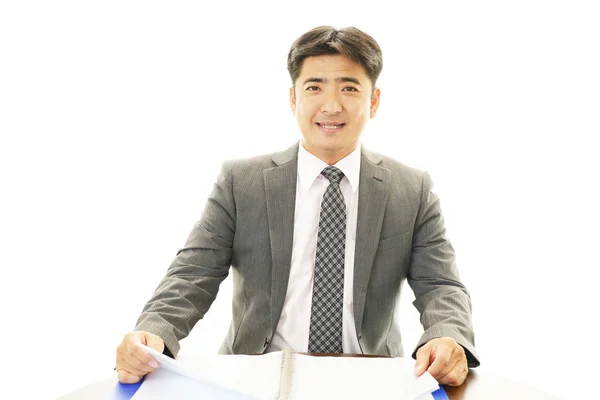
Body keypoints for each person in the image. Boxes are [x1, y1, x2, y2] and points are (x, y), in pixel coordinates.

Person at [116, 25, 480, 387]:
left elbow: (441, 285)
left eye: (349, 88)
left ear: (374, 100)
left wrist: (446, 337)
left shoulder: (411, 189)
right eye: (314, 87)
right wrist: (153, 333)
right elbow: (192, 274)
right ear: (293, 99)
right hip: (256, 376)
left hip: (370, 376)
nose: (332, 105)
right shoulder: (241, 181)